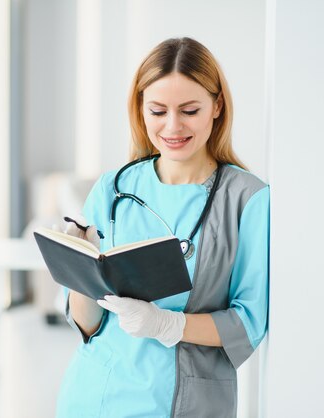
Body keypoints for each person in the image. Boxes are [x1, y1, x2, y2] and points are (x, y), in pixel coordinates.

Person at [56, 37, 270, 418]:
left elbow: (249, 323)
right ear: (140, 110)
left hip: (183, 404)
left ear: (217, 106)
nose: (173, 126)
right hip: (93, 397)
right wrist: (78, 268)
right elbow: (88, 326)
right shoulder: (112, 186)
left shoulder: (247, 199)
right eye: (157, 111)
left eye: (189, 110)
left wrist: (167, 324)